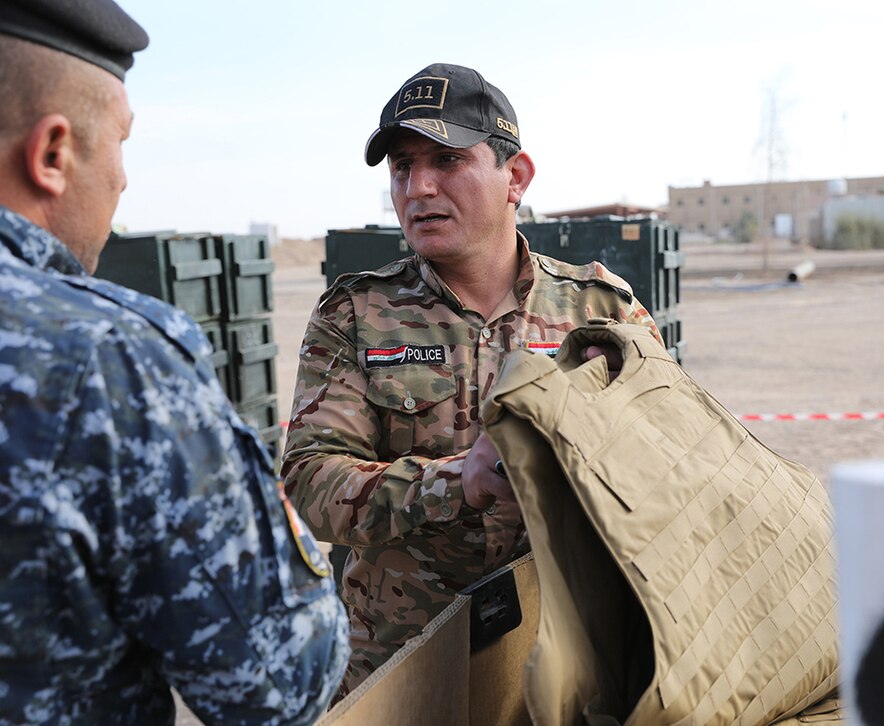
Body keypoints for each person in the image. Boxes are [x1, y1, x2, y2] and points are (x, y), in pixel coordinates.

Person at [0, 2, 348, 723]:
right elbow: (279, 684)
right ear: (52, 154)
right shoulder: (106, 358)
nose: (124, 179)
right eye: (121, 144)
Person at [282, 62, 663, 694]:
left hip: (566, 661)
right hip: (404, 668)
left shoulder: (603, 310)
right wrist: (460, 480)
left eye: (448, 161)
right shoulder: (355, 314)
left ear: (516, 177)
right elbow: (310, 485)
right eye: (403, 166)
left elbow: (673, 466)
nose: (419, 187)